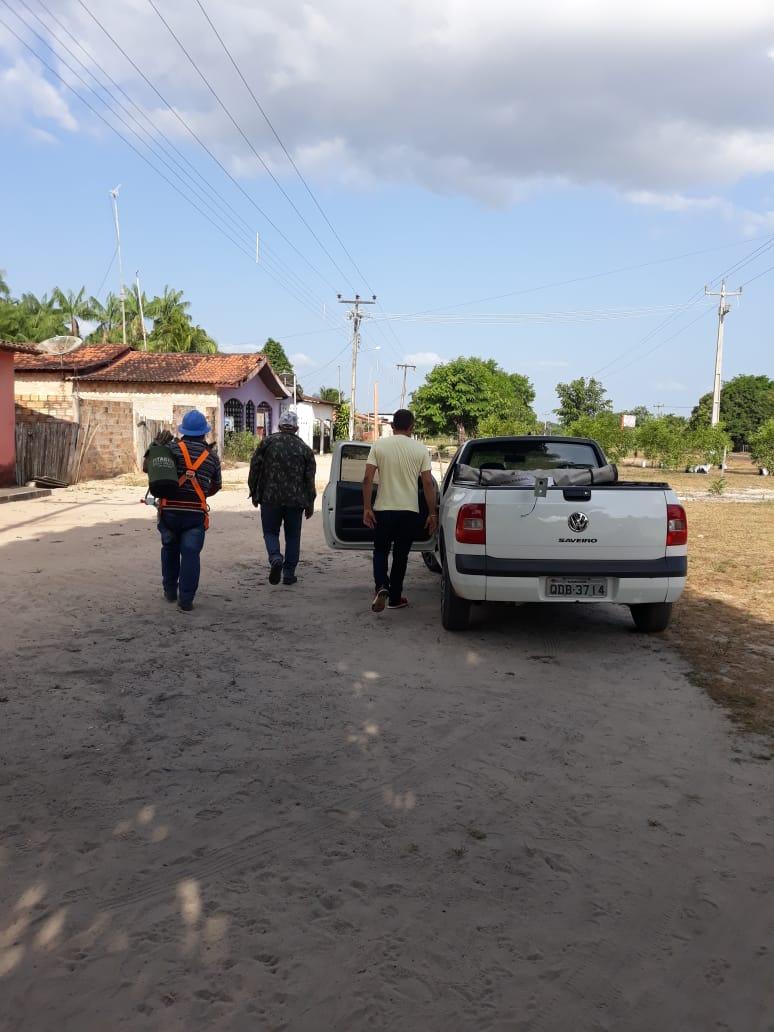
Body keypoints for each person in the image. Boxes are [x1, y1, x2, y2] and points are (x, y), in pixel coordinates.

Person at [362, 408, 437, 612]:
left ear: (392, 426)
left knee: (380, 551)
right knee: (401, 556)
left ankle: (381, 586)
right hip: (409, 512)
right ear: (411, 427)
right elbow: (428, 483)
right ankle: (395, 598)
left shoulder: (379, 446)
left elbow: (367, 479)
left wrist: (367, 508)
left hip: (383, 510)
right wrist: (432, 513)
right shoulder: (420, 450)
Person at [146, 410, 221, 612]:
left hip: (169, 511)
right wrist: (200, 494)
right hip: (195, 515)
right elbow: (216, 486)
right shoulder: (212, 458)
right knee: (190, 554)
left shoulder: (170, 449)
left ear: (183, 431)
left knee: (169, 549)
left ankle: (170, 591)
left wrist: (154, 448)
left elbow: (150, 469)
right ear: (204, 433)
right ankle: (186, 599)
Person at [248, 409, 316, 585]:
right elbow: (309, 480)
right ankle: (289, 574)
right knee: (293, 536)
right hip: (296, 501)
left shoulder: (267, 443)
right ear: (296, 428)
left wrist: (254, 492)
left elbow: (254, 468)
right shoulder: (305, 449)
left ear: (279, 426)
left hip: (270, 498)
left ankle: (275, 558)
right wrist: (310, 503)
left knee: (270, 532)